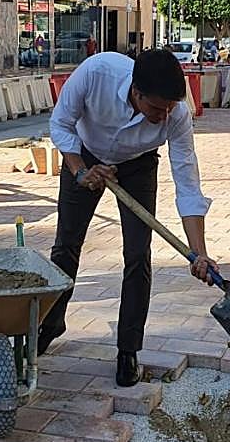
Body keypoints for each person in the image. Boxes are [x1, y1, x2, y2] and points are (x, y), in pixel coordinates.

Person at [41, 49, 217, 387]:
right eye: (156, 108)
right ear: (136, 92)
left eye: (169, 109)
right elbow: (61, 123)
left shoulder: (177, 113)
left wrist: (200, 251)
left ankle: (128, 349)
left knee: (138, 255)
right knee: (65, 247)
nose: (164, 116)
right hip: (85, 157)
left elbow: (187, 179)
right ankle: (50, 324)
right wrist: (80, 172)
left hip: (137, 166)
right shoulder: (97, 73)